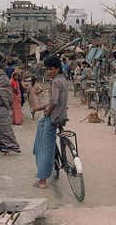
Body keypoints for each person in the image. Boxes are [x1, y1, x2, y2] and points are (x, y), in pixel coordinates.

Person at [32, 56, 68, 189]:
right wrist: (39, 108)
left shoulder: (55, 82)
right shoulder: (62, 79)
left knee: (46, 148)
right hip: (61, 116)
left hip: (54, 117)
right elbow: (53, 101)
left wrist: (48, 110)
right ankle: (45, 164)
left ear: (57, 68)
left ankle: (42, 180)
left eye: (51, 69)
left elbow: (53, 102)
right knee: (41, 125)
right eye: (47, 69)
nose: (49, 71)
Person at [0, 58, 21, 153]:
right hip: (4, 110)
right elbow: (10, 99)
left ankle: (11, 145)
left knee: (2, 129)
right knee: (1, 129)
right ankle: (2, 145)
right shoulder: (7, 86)